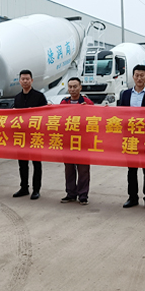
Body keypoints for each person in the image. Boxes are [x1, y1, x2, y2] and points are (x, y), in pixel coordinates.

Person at [119, 64, 145, 211]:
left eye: (142, 75)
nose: (139, 78)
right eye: (136, 75)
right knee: (131, 170)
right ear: (133, 77)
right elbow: (119, 114)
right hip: (130, 138)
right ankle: (132, 197)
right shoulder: (125, 94)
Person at [13, 69, 48, 200]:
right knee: (22, 164)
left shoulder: (39, 96)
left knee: (36, 164)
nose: (25, 81)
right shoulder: (17, 98)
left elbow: (45, 115)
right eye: (23, 79)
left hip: (35, 136)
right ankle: (24, 188)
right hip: (21, 136)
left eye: (27, 79)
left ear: (32, 80)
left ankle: (36, 189)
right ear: (19, 81)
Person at [60, 77, 94, 205]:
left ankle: (83, 195)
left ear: (80, 87)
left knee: (83, 169)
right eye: (70, 87)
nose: (72, 89)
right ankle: (71, 193)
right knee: (69, 169)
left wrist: (87, 110)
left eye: (75, 86)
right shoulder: (64, 102)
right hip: (68, 142)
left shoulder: (87, 102)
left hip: (83, 142)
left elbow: (95, 118)